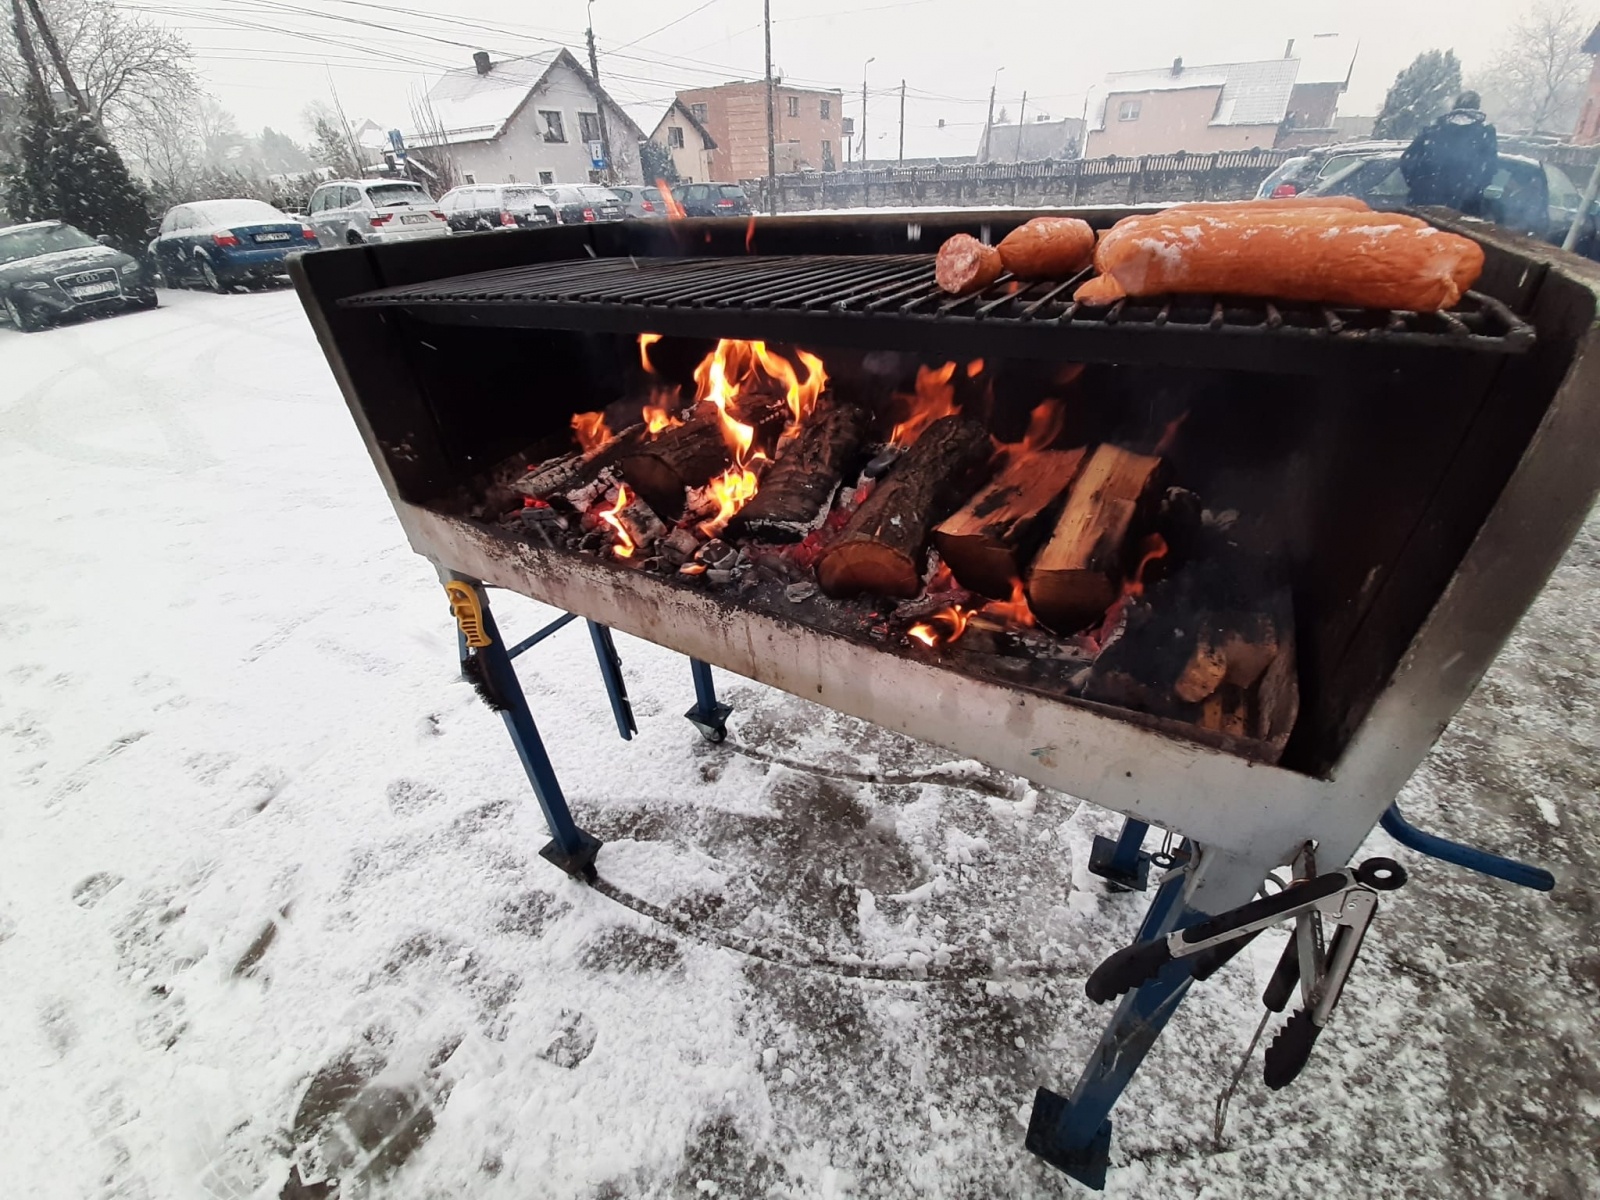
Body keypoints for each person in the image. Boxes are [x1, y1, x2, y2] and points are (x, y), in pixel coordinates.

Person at [1400, 91, 1499, 214]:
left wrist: (1419, 184)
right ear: (1477, 107)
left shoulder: (1433, 130)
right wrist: (1484, 194)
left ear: (1455, 106)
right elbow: (1492, 168)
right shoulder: (1485, 133)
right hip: (1464, 208)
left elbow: (1407, 160)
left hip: (1424, 204)